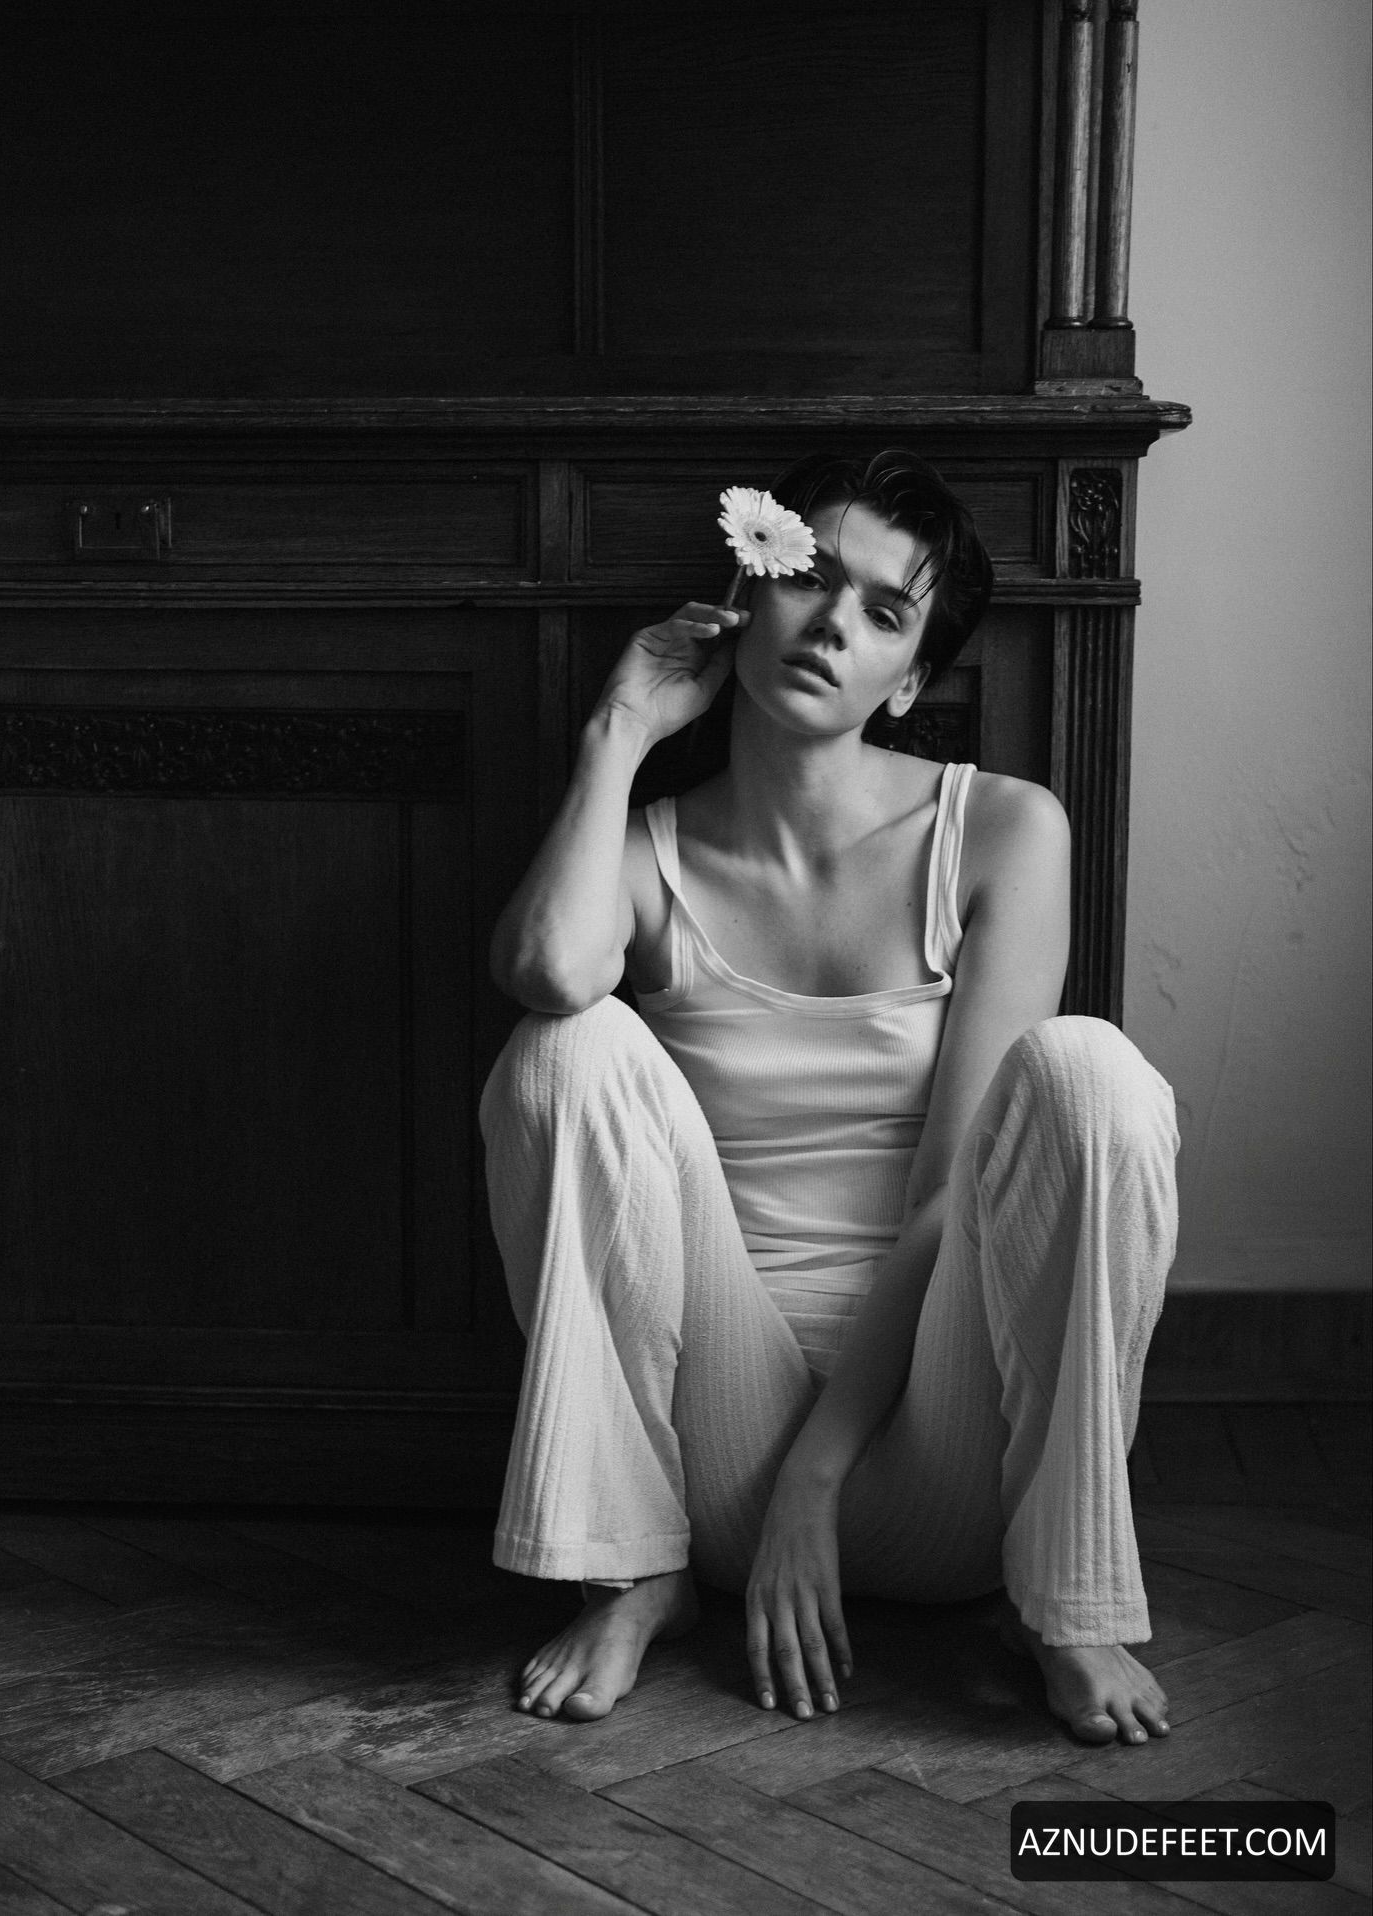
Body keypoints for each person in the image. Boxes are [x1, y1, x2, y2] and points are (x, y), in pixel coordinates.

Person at [481, 450, 1179, 1747]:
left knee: (1088, 1072)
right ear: (749, 593)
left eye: (886, 612)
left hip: (948, 1452)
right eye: (811, 580)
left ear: (909, 680)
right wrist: (618, 733)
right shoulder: (647, 853)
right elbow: (545, 971)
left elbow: (949, 1193)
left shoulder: (1004, 832)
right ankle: (628, 1575)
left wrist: (820, 1472)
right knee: (561, 1048)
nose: (834, 625)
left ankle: (1070, 1603)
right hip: (716, 1473)